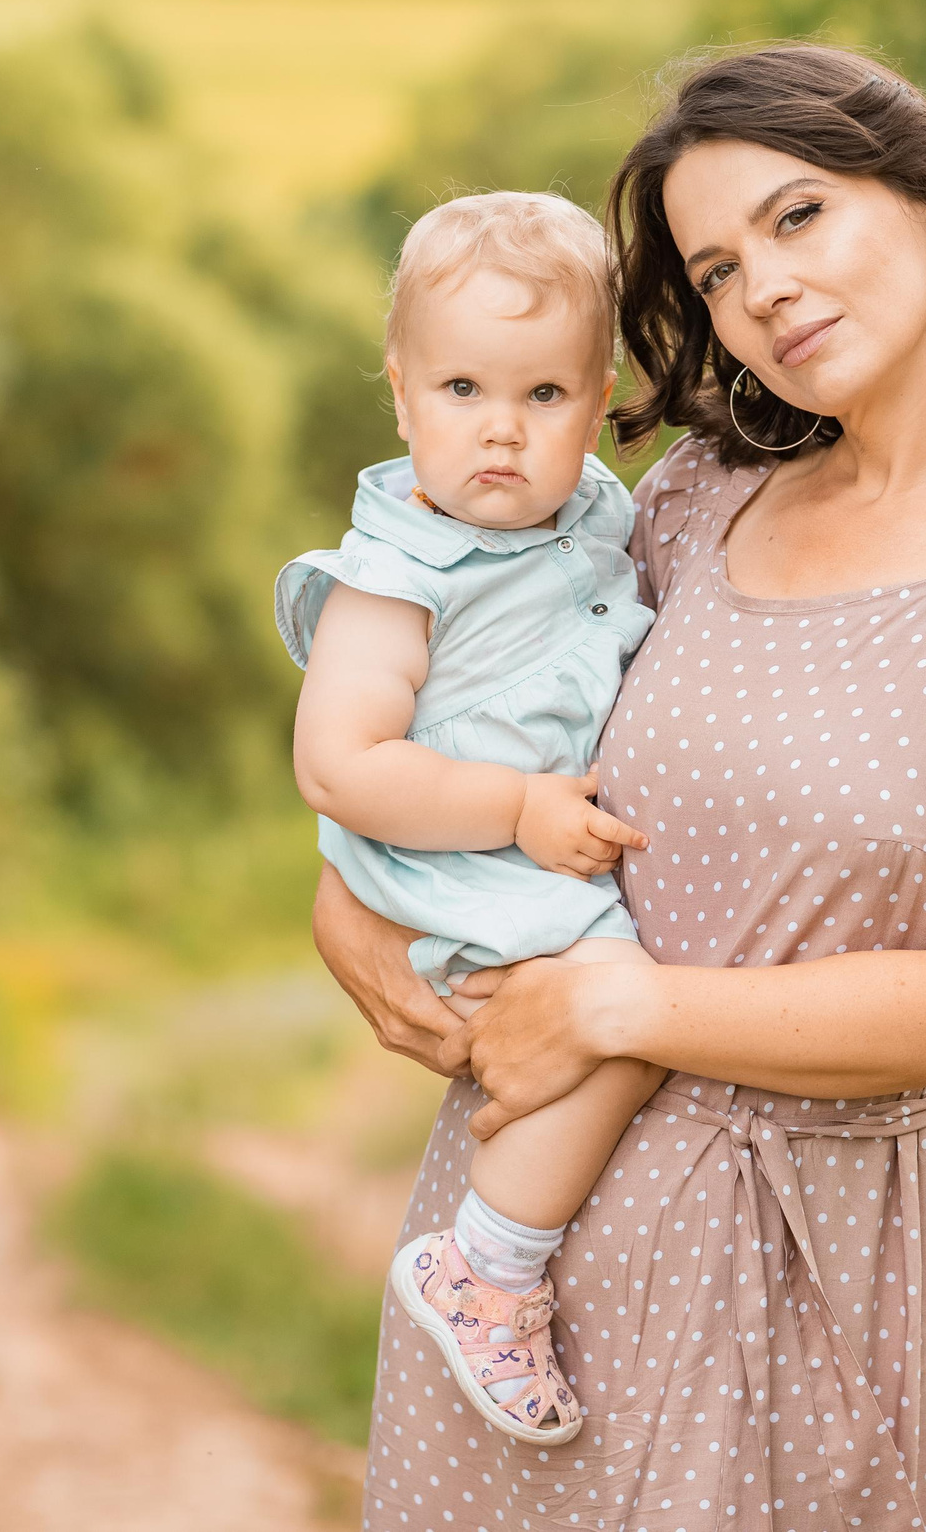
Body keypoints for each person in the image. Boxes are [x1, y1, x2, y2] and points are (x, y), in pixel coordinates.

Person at [315, 45, 926, 1531]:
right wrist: (346, 894)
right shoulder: (698, 500)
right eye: (712, 267)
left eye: (798, 217)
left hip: (794, 1267)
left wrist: (620, 1005)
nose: (759, 285)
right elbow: (482, 713)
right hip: (512, 1255)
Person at [278, 191, 668, 1444]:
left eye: (543, 397)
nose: (500, 431)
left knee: (623, 1009)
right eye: (460, 391)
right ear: (399, 396)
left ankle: (505, 1252)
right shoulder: (393, 577)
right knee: (622, 1008)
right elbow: (339, 765)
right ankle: (487, 1269)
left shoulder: (599, 512)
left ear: (600, 398)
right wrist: (513, 809)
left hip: (519, 837)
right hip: (448, 849)